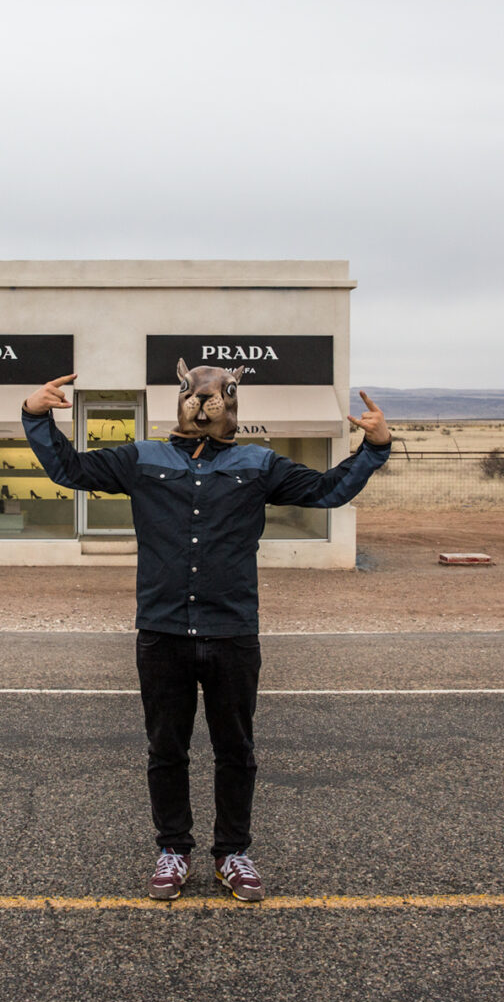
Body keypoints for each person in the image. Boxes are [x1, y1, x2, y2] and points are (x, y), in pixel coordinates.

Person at [22, 362, 393, 901]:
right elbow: (70, 470)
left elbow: (327, 491)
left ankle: (232, 855)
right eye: (192, 391)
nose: (202, 399)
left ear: (232, 398)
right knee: (165, 749)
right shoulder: (142, 458)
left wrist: (375, 448)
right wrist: (34, 416)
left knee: (235, 749)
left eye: (216, 392)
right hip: (162, 631)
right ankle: (173, 850)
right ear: (180, 396)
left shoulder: (259, 463)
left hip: (231, 632)